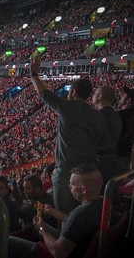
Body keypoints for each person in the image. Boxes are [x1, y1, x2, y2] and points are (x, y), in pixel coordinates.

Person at [30, 54, 110, 214]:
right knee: (84, 215)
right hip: (90, 171)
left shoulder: (67, 107)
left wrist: (34, 74)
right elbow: (104, 144)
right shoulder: (98, 116)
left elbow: (44, 94)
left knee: (64, 217)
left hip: (67, 171)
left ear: (73, 92)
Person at [7, 163, 104, 258]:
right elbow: (78, 225)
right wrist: (52, 212)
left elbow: (57, 252)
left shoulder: (78, 214)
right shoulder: (103, 203)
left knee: (7, 240)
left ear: (83, 190)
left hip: (61, 251)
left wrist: (41, 229)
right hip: (77, 244)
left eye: (73, 184)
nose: (70, 186)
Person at [91, 85, 123, 191]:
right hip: (112, 162)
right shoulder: (117, 116)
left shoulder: (97, 116)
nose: (93, 96)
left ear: (100, 96)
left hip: (99, 163)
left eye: (95, 93)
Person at [116, 86, 134, 172]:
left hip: (115, 156)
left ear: (128, 100)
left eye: (123, 95)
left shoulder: (118, 116)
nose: (121, 96)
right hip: (127, 156)